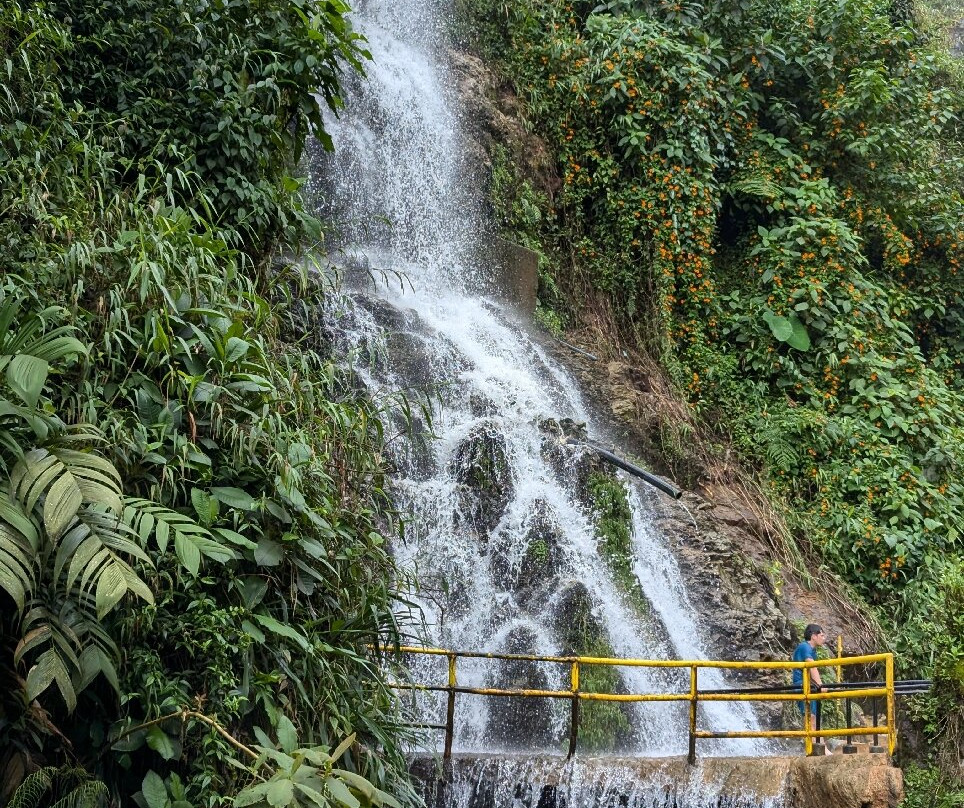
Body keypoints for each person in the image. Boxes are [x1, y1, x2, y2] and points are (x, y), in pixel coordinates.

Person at [792, 624, 828, 751]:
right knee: (810, 716)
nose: (824, 638)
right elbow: (811, 667)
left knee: (814, 716)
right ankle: (815, 747)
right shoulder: (804, 647)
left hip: (809, 685)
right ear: (813, 636)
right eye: (822, 635)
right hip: (802, 685)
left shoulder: (811, 650)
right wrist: (820, 685)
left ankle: (821, 747)